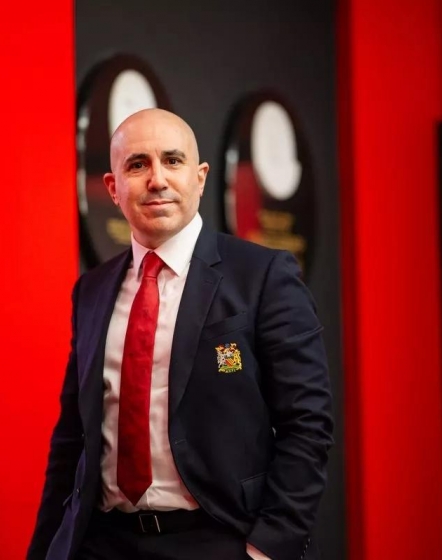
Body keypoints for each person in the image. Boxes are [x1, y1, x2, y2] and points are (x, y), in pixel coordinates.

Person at [27, 109, 332, 560]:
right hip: (102, 543)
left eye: (173, 161)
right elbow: (73, 438)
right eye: (137, 165)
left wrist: (269, 546)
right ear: (112, 187)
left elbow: (306, 423)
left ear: (200, 177)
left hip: (218, 540)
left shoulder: (262, 276)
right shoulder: (92, 291)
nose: (157, 180)